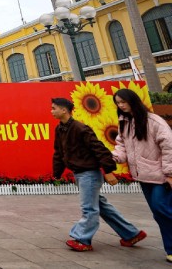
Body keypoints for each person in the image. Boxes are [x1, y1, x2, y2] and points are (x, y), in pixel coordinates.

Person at [51, 97, 146, 252]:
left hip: (89, 174)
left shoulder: (80, 128)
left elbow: (99, 149)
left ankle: (82, 239)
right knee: (102, 207)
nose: (52, 111)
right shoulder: (60, 129)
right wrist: (57, 172)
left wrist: (108, 170)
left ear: (64, 110)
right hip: (79, 174)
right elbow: (59, 153)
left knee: (89, 209)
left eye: (54, 108)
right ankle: (131, 234)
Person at [111, 88, 172, 263]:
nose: (121, 106)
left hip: (161, 176)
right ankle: (170, 249)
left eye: (123, 102)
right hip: (143, 176)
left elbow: (169, 146)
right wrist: (114, 157)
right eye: (118, 103)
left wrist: (169, 173)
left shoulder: (154, 121)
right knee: (158, 213)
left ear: (133, 101)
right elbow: (121, 144)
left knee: (162, 209)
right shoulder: (124, 122)